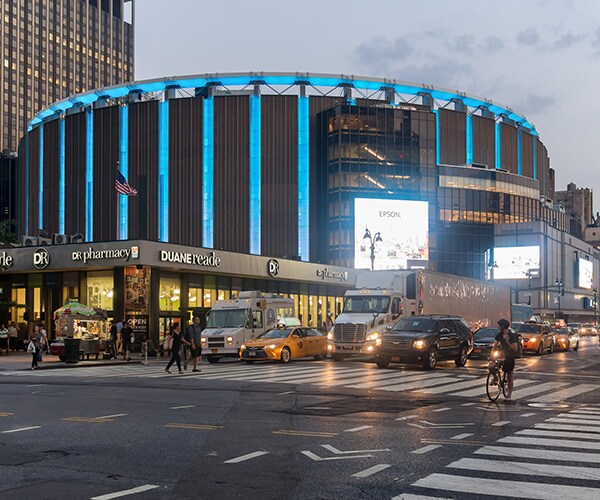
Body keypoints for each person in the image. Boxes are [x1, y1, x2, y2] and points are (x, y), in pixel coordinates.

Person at [489, 318, 520, 400]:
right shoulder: (499, 334)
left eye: (499, 325)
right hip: (502, 354)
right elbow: (495, 345)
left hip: (510, 356)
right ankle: (495, 377)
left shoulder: (512, 336)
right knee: (491, 366)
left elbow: (515, 349)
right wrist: (492, 355)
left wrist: (507, 342)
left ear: (503, 326)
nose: (497, 326)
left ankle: (509, 394)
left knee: (509, 376)